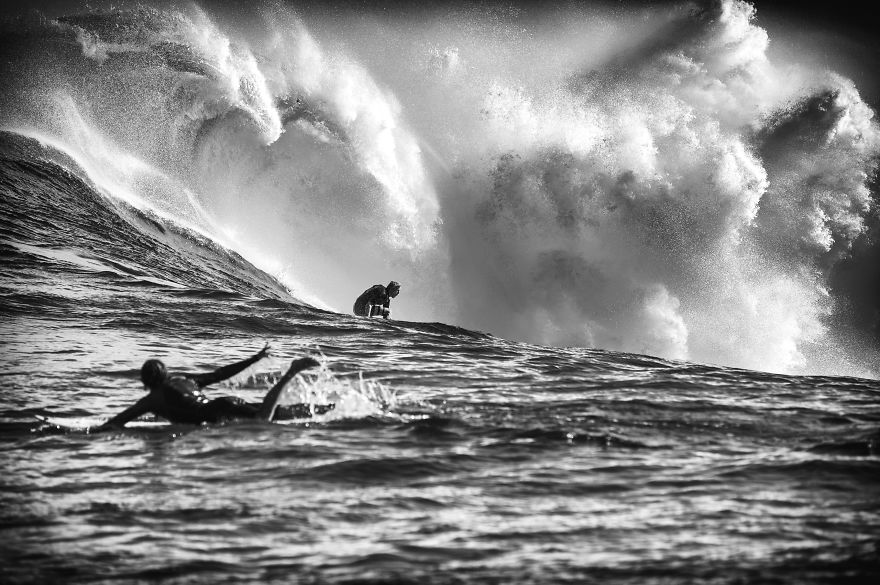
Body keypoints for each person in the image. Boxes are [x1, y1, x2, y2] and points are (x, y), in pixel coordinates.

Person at [97, 345, 328, 429]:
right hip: (223, 406)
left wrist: (86, 432)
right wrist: (254, 359)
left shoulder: (152, 399)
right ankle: (326, 409)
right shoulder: (184, 380)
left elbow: (117, 421)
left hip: (220, 411)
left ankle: (292, 371)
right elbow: (220, 374)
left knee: (262, 419)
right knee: (280, 413)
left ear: (145, 382)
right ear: (166, 373)